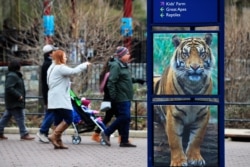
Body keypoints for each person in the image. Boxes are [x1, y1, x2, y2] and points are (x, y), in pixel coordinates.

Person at [47, 49, 90, 149]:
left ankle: (58, 142)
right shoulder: (60, 68)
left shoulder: (51, 67)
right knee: (69, 118)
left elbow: (56, 81)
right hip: (60, 98)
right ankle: (54, 136)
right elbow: (74, 71)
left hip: (53, 98)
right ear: (60, 58)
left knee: (58, 120)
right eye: (65, 56)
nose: (66, 58)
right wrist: (84, 65)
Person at [101, 46, 142, 147]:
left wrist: (137, 80)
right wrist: (114, 96)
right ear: (122, 56)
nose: (129, 55)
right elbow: (111, 82)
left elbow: (125, 79)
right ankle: (107, 132)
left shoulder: (123, 65)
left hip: (126, 96)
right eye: (127, 54)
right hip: (120, 97)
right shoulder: (116, 65)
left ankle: (124, 140)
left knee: (126, 119)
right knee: (124, 116)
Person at [0, 59, 35, 140]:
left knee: (6, 117)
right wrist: (19, 96)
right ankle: (24, 133)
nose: (21, 66)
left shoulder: (14, 75)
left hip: (13, 101)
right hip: (15, 101)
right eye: (20, 64)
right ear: (17, 66)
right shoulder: (13, 76)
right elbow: (9, 88)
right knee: (20, 117)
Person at [36, 44, 58, 143]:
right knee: (52, 113)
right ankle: (42, 131)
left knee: (50, 113)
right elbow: (46, 84)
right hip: (50, 94)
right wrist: (46, 99)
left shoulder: (47, 63)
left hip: (49, 93)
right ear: (50, 53)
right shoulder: (48, 65)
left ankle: (43, 133)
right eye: (54, 51)